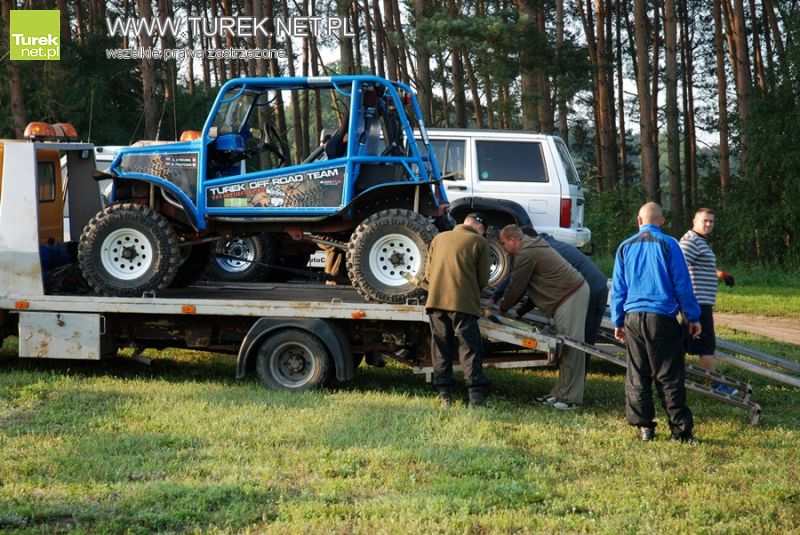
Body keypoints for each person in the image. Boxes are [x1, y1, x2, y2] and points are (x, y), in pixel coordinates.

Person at [611, 202, 702, 443]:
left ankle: (645, 428)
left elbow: (618, 289)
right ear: (661, 221)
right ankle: (681, 431)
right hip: (661, 317)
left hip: (632, 317)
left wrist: (618, 320)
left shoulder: (625, 246)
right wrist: (692, 317)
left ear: (639, 221)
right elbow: (682, 284)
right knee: (669, 374)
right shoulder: (669, 244)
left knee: (637, 374)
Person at [497, 224, 589, 410]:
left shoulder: (526, 253)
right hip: (568, 295)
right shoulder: (531, 246)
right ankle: (560, 393)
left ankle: (570, 399)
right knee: (565, 347)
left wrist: (502, 308)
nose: (503, 247)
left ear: (514, 240)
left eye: (504, 243)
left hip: (571, 295)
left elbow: (516, 286)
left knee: (572, 347)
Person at [492, 226, 608, 345]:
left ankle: (580, 362)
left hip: (592, 289)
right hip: (592, 285)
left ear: (518, 240)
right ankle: (579, 361)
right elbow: (530, 284)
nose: (504, 248)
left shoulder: (533, 252)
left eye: (503, 243)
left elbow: (517, 283)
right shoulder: (544, 245)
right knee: (579, 338)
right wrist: (518, 310)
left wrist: (502, 305)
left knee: (581, 340)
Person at [424, 213, 492, 407]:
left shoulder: (439, 238)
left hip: (435, 301)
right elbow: (483, 279)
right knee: (468, 347)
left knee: (440, 346)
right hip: (463, 304)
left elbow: (428, 273)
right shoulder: (479, 242)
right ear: (480, 227)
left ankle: (445, 395)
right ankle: (475, 397)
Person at [680, 208, 737, 396]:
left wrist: (720, 274)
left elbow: (701, 265)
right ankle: (715, 384)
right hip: (697, 302)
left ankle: (672, 376)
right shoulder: (690, 242)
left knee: (684, 341)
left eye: (711, 221)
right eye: (705, 221)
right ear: (694, 221)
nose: (708, 224)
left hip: (700, 301)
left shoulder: (700, 242)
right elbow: (678, 266)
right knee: (706, 344)